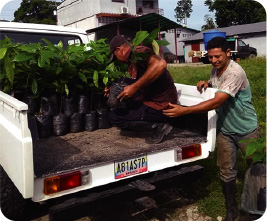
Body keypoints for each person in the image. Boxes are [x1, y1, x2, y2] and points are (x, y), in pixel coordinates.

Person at [163, 37, 260, 220]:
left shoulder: (235, 72)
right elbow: (216, 88)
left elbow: (217, 100)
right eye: (211, 57)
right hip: (225, 129)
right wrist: (207, 84)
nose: (214, 60)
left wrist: (185, 111)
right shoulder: (215, 70)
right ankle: (231, 211)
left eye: (218, 56)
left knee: (257, 167)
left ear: (228, 54)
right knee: (226, 171)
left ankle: (253, 210)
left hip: (247, 129)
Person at [105, 35, 177, 144]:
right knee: (120, 84)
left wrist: (134, 87)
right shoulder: (132, 59)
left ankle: (159, 126)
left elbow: (160, 64)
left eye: (115, 56)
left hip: (161, 107)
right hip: (153, 98)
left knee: (114, 117)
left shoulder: (139, 51)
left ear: (120, 50)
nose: (116, 60)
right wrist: (113, 88)